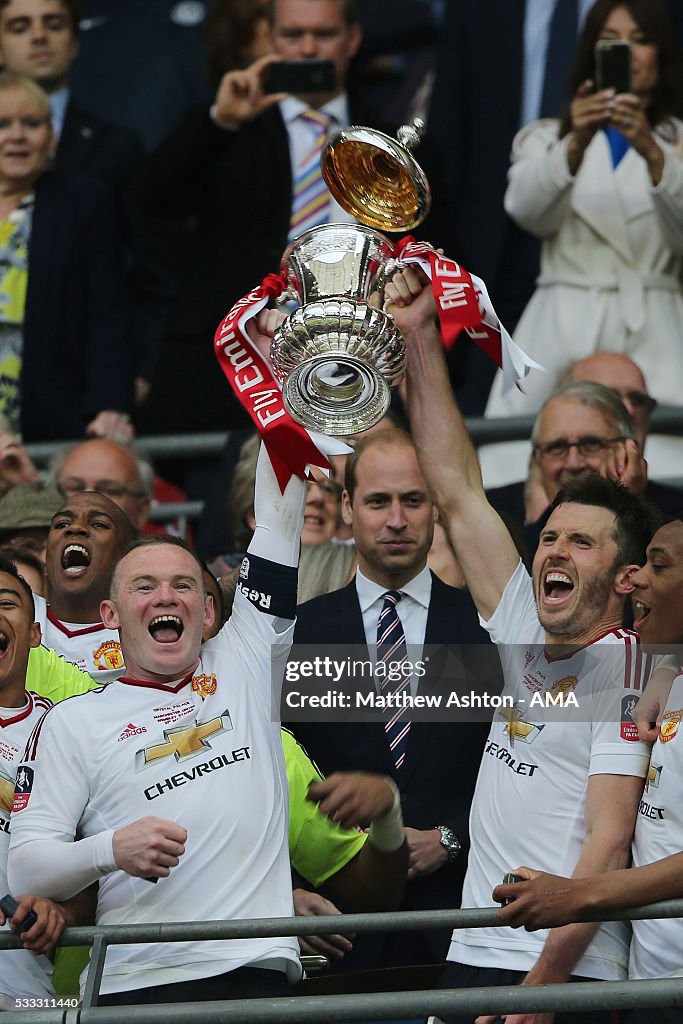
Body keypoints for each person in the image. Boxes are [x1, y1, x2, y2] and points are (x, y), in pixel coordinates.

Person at [385, 263, 658, 1024]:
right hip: (473, 949)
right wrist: (416, 336)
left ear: (625, 575)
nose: (553, 551)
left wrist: (544, 983)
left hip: (568, 970)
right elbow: (455, 487)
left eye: (581, 542)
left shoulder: (633, 675)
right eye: (548, 537)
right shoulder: (518, 629)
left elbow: (606, 847)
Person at [5, 447, 318, 1006]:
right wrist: (109, 850)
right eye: (144, 586)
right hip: (133, 983)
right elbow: (26, 869)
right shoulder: (74, 720)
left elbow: (276, 519)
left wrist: (283, 389)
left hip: (252, 971)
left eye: (183, 585)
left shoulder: (247, 661)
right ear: (110, 616)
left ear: (207, 609)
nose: (166, 596)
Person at [286, 429, 494, 973]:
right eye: (378, 501)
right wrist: (279, 891)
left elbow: (528, 767)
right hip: (336, 931)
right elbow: (261, 774)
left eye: (413, 500)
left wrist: (452, 837)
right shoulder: (297, 635)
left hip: (464, 924)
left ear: (436, 510)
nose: (396, 519)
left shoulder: (486, 629)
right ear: (348, 507)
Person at [481, 0, 683, 488]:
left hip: (654, 322)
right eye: (610, 38)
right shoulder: (546, 138)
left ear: (662, 54)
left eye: (640, 38)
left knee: (666, 475)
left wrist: (655, 156)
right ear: (590, 52)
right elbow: (527, 212)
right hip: (561, 318)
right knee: (517, 470)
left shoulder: (677, 141)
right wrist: (575, 142)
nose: (627, 52)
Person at [494, 517, 683, 1024]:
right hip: (650, 983)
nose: (638, 578)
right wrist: (668, 669)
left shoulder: (631, 671)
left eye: (659, 565)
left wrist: (578, 895)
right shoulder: (665, 678)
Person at [0, 0, 170, 405]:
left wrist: (141, 371)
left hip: (71, 390)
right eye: (21, 26)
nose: (39, 36)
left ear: (76, 42)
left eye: (53, 24)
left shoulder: (116, 147)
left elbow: (151, 273)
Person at [0, 70, 133, 441]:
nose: (17, 136)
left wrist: (109, 402)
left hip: (53, 416)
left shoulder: (83, 202)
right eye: (2, 124)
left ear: (52, 137)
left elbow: (106, 314)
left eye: (31, 123)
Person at [0, 555, 92, 1007]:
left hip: (25, 992)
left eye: (5, 602)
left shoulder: (67, 731)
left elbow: (102, 872)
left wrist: (63, 912)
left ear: (36, 633)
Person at [486, 379, 675, 563]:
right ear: (538, 461)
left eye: (591, 444)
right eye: (557, 447)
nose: (573, 463)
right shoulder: (512, 550)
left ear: (626, 451)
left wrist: (625, 504)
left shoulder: (673, 532)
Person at [30, 491, 136, 684]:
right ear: (46, 561)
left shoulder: (143, 630)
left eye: (98, 524)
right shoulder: (18, 619)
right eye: (62, 524)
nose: (76, 528)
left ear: (127, 559)